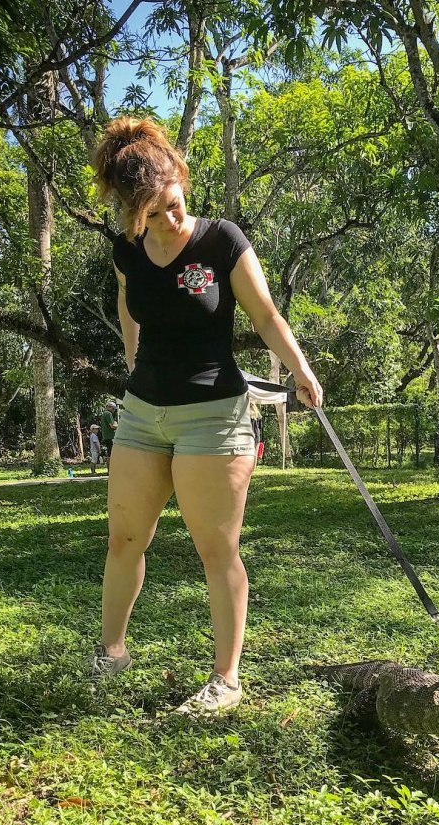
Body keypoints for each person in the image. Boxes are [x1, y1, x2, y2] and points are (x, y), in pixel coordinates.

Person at [85, 116, 323, 714]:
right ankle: (111, 652)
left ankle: (226, 679)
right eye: (156, 213)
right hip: (143, 415)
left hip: (214, 415)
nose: (172, 218)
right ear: (131, 213)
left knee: (216, 549)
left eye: (176, 203)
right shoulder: (125, 251)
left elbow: (266, 314)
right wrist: (133, 363)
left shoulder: (221, 241)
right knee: (124, 539)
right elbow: (128, 305)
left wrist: (300, 369)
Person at [249, 399, 264, 467]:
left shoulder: (246, 414)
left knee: (248, 453)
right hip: (257, 435)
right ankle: (253, 467)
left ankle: (248, 467)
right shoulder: (258, 414)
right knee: (255, 453)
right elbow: (260, 427)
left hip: (249, 435)